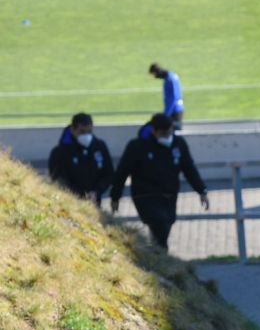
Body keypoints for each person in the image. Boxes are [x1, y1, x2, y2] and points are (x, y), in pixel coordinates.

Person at [110, 112, 209, 248]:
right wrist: (115, 196)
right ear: (154, 131)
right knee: (159, 224)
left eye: (169, 133)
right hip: (145, 195)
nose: (167, 137)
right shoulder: (137, 146)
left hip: (169, 195)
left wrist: (201, 190)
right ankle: (161, 255)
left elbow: (189, 168)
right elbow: (122, 172)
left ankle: (156, 254)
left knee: (166, 225)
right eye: (163, 134)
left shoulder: (178, 144)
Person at [48, 112, 114, 204]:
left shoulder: (99, 147)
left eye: (89, 132)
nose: (86, 135)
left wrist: (96, 192)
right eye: (82, 132)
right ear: (72, 130)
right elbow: (59, 179)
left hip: (94, 200)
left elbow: (108, 173)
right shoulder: (59, 152)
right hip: (70, 202)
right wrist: (81, 195)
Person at [149, 63, 183, 129]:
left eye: (154, 75)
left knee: (170, 131)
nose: (155, 77)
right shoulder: (172, 76)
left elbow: (173, 97)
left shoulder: (169, 79)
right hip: (177, 108)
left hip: (174, 111)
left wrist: (167, 114)